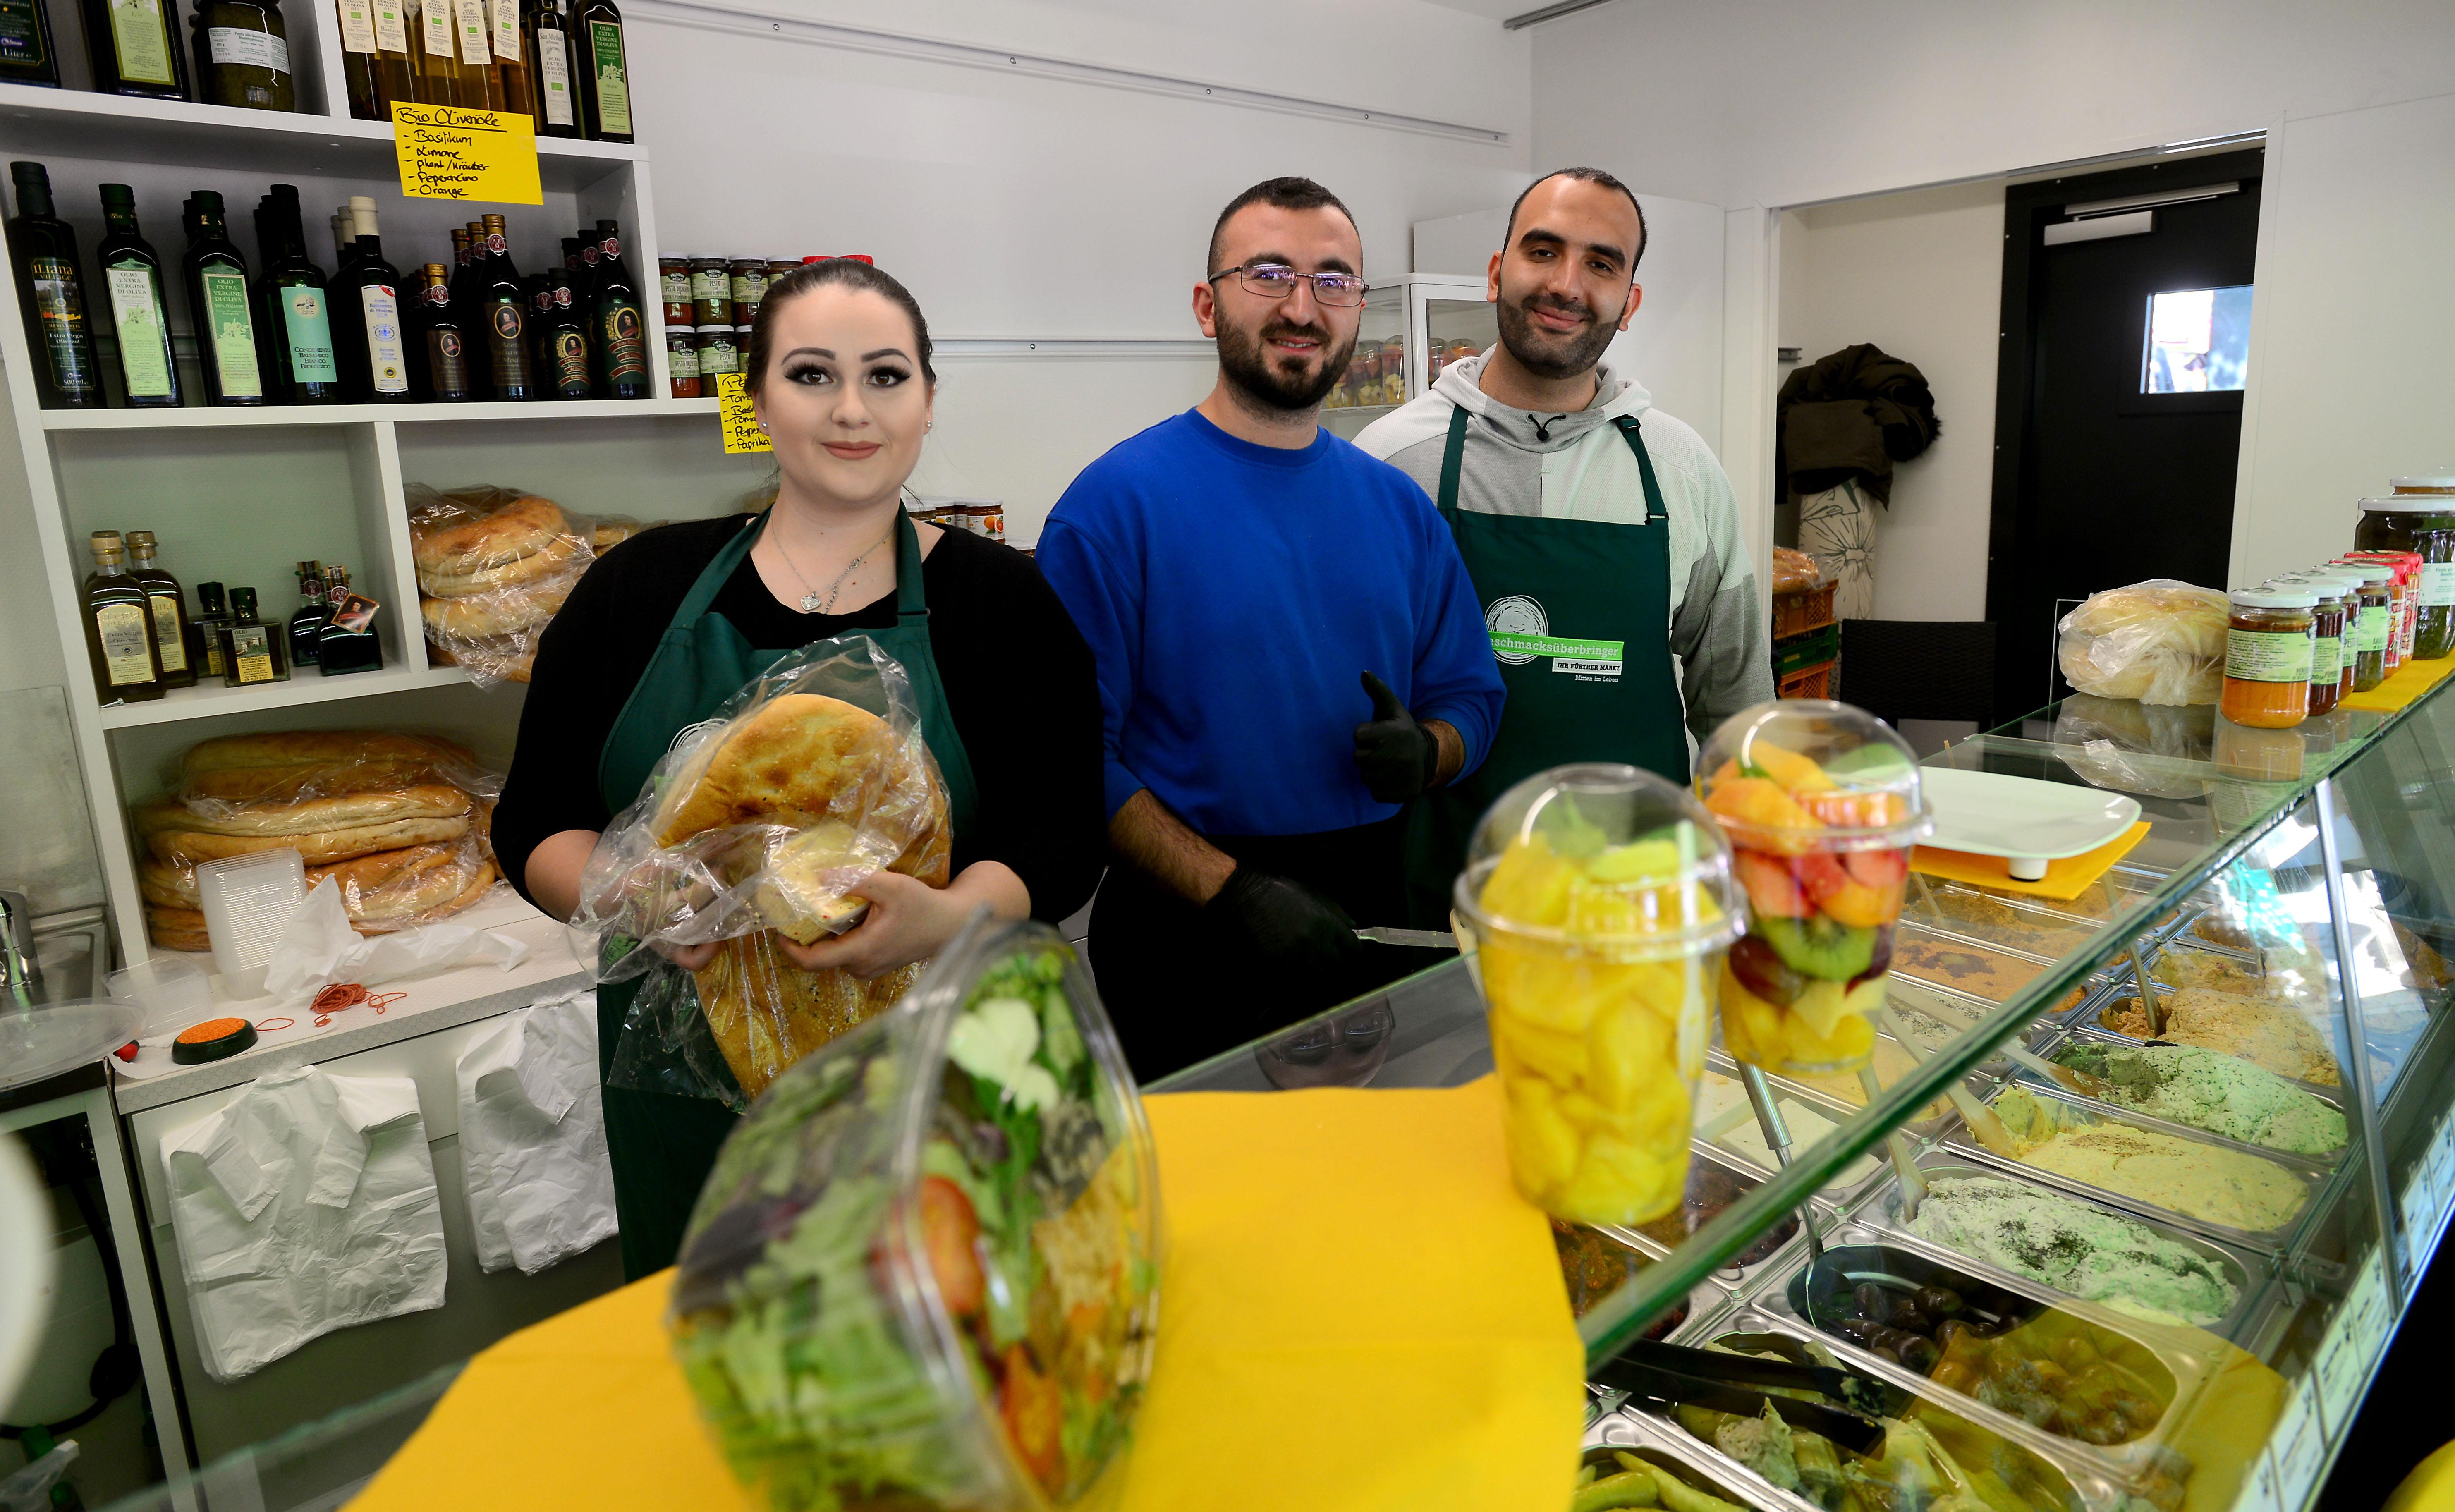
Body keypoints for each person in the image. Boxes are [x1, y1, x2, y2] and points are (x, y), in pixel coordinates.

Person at [493, 258, 1105, 1278]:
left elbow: (1063, 836)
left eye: (887, 376)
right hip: (684, 1095)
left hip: (937, 1084)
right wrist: (622, 889)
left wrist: (944, 917)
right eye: (813, 375)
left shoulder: (1006, 604)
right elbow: (534, 818)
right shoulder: (636, 590)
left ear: (927, 400)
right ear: (758, 400)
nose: (852, 410)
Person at [1036, 176, 1506, 1081]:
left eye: (1333, 280)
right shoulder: (1114, 507)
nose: (1302, 306)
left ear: (1357, 308)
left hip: (1369, 915)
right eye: (1269, 275)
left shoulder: (1397, 509)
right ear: (1207, 304)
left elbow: (1472, 696)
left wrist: (1431, 749)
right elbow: (1070, 755)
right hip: (1186, 931)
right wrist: (1230, 891)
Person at [1355, 167, 1771, 922]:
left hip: (1634, 906)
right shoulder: (1389, 461)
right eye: (1542, 252)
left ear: (1630, 301)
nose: (1567, 284)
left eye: (1601, 263)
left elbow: (1735, 697)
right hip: (1437, 911)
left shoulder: (1682, 471)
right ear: (1496, 273)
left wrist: (1756, 873)